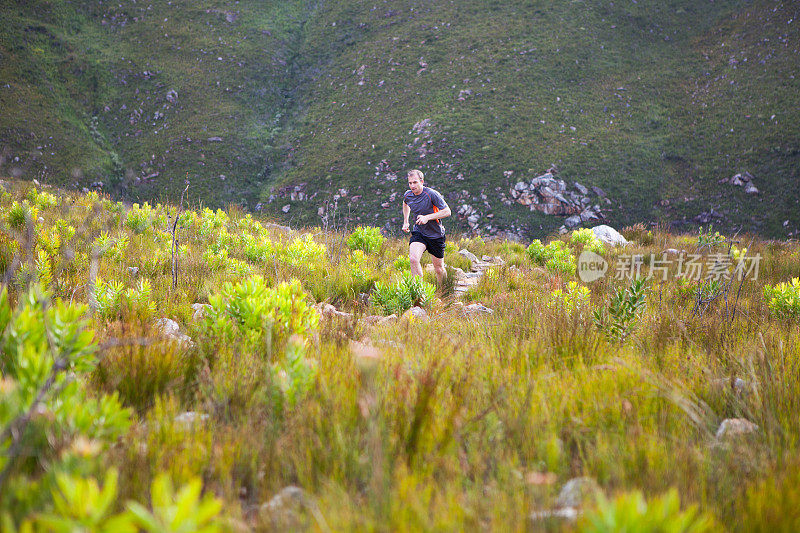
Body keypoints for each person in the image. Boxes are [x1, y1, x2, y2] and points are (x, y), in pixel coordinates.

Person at [402, 169, 451, 283]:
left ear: (422, 181)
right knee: (413, 259)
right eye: (410, 183)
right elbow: (405, 203)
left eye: (415, 182)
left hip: (436, 235)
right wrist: (406, 221)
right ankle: (419, 292)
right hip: (419, 232)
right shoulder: (408, 195)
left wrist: (427, 217)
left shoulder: (431, 194)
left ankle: (443, 292)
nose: (412, 186)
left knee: (439, 269)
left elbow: (447, 211)